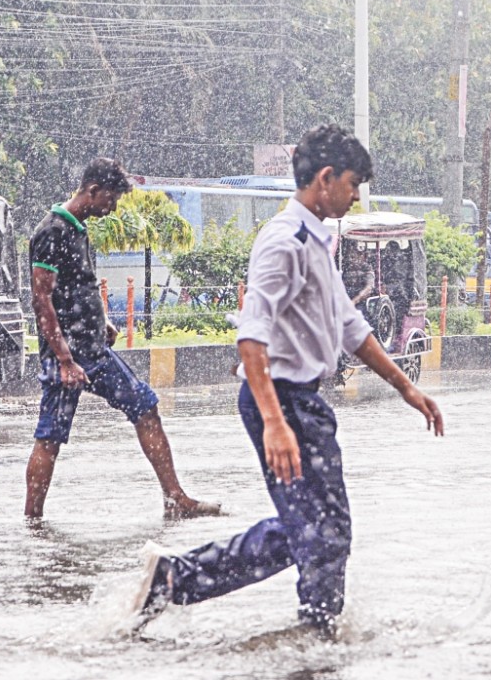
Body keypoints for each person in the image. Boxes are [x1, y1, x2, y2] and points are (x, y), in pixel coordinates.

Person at [128, 125, 445, 637]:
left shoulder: (318, 239)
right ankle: (308, 632)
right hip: (281, 402)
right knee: (317, 532)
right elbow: (251, 338)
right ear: (325, 179)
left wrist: (406, 388)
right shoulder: (283, 242)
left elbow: (350, 326)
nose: (356, 196)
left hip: (304, 405)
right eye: (353, 184)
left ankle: (292, 622)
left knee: (322, 530)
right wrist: (275, 424)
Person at [24, 157, 219, 521]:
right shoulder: (51, 231)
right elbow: (42, 300)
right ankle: (31, 519)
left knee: (143, 410)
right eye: (110, 200)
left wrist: (104, 319)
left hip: (92, 349)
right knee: (52, 436)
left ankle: (174, 497)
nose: (112, 208)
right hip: (70, 356)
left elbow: (79, 283)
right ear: (93, 191)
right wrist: (65, 360)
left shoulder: (78, 229)